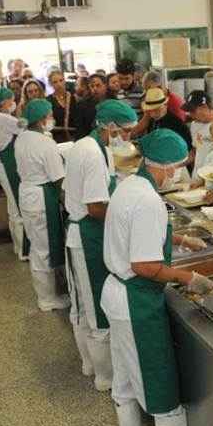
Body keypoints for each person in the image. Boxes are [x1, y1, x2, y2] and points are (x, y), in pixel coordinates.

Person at [102, 129, 213, 426]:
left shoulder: (128, 186)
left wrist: (179, 240)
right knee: (159, 384)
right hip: (136, 302)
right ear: (164, 166)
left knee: (124, 379)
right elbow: (146, 265)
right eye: (177, 167)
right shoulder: (150, 200)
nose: (178, 173)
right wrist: (190, 278)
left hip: (115, 292)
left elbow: (134, 235)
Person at [63, 100, 137, 392]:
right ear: (111, 127)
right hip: (89, 235)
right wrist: (128, 218)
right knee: (96, 307)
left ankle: (89, 364)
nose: (129, 137)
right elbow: (96, 207)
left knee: (81, 304)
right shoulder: (93, 154)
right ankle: (105, 377)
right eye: (127, 131)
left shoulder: (85, 144)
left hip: (81, 231)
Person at [15, 99, 69, 311]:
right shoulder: (45, 143)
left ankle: (48, 294)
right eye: (49, 115)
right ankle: (47, 299)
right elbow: (58, 178)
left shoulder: (22, 137)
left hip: (28, 194)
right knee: (43, 250)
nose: (51, 119)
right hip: (40, 197)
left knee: (39, 246)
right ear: (41, 119)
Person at [0, 87, 28, 260]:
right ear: (4, 102)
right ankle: (24, 251)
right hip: (8, 165)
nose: (13, 103)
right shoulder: (3, 118)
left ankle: (17, 247)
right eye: (12, 100)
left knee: (12, 207)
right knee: (19, 207)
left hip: (2, 165)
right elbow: (25, 126)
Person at [181, 90, 213, 176]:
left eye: (193, 111)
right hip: (197, 177)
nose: (190, 114)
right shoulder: (194, 125)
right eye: (189, 111)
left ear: (204, 107)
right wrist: (177, 165)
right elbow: (195, 151)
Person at [47, 69, 80, 137]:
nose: (59, 84)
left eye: (61, 80)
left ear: (64, 80)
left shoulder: (75, 97)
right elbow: (48, 124)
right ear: (50, 84)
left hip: (76, 135)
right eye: (55, 82)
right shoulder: (48, 101)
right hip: (57, 137)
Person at [76, 74, 109, 139]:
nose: (95, 89)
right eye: (92, 86)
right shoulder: (82, 105)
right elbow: (80, 130)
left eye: (98, 85)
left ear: (105, 86)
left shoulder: (113, 102)